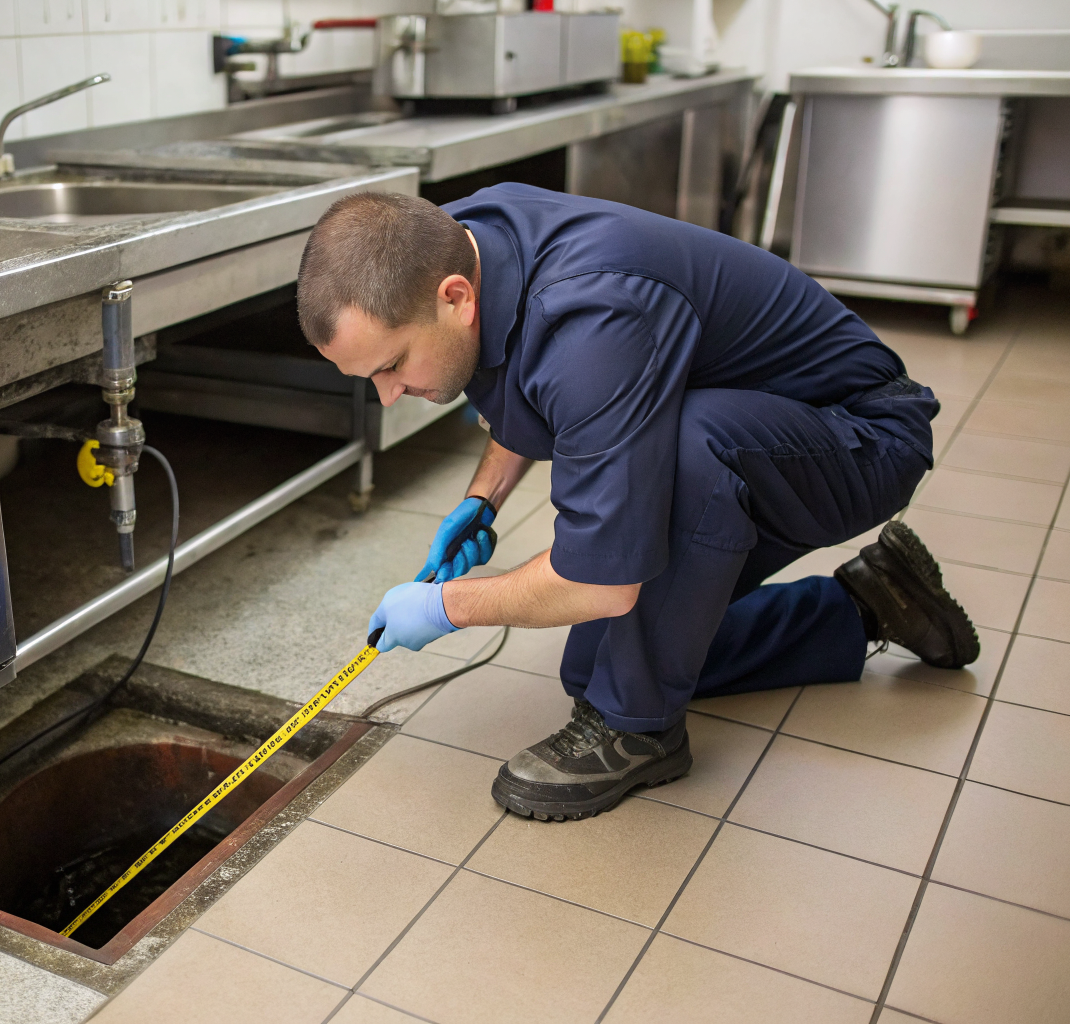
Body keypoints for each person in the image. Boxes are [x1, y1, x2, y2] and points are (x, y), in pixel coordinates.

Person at [296, 186, 979, 822]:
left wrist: (447, 608)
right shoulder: (460, 244)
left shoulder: (592, 320)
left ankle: (639, 734)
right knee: (598, 667)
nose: (387, 395)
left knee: (678, 481)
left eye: (392, 366)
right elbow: (513, 370)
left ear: (456, 298)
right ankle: (867, 606)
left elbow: (599, 580)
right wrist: (484, 499)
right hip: (765, 422)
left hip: (857, 437)